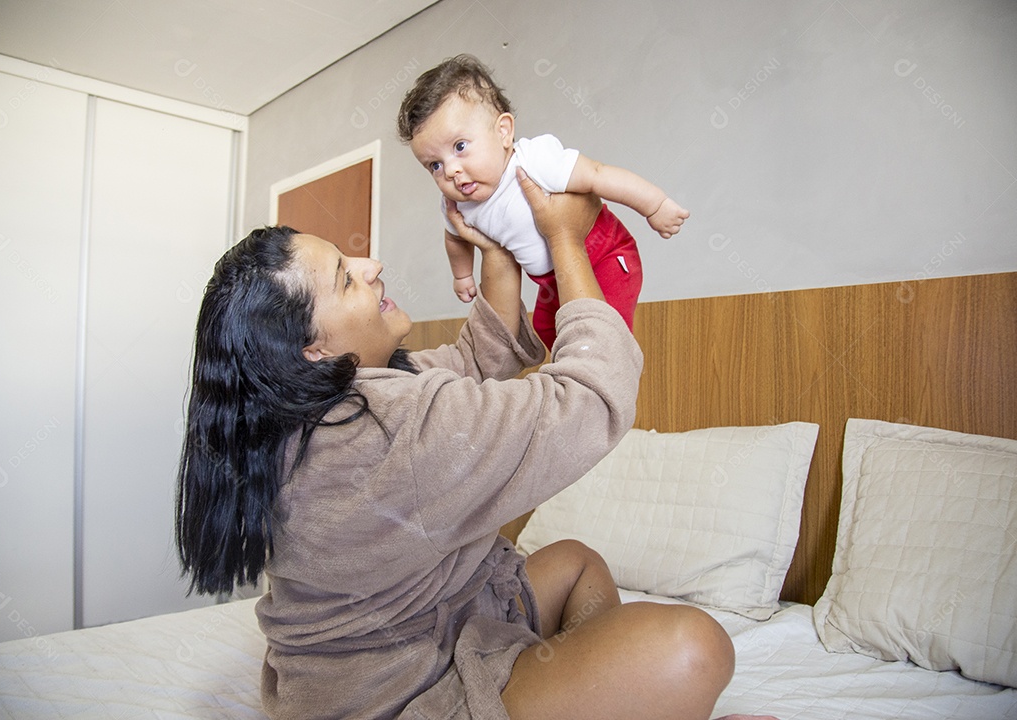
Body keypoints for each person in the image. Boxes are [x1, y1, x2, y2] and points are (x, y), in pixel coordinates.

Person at [175, 173, 735, 719]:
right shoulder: (386, 433)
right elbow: (590, 400)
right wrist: (566, 239)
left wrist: (495, 249)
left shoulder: (312, 408)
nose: (373, 266)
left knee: (575, 564)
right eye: (347, 279)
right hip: (404, 697)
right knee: (691, 648)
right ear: (312, 350)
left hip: (375, 660)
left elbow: (472, 363)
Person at [397, 54, 690, 350]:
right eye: (434, 165)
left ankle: (614, 365)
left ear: (503, 132)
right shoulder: (456, 204)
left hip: (605, 257)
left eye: (460, 147)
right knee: (546, 328)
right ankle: (580, 371)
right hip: (550, 282)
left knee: (598, 338)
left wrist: (654, 205)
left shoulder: (534, 161)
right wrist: (461, 275)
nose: (450, 170)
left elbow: (598, 175)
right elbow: (455, 239)